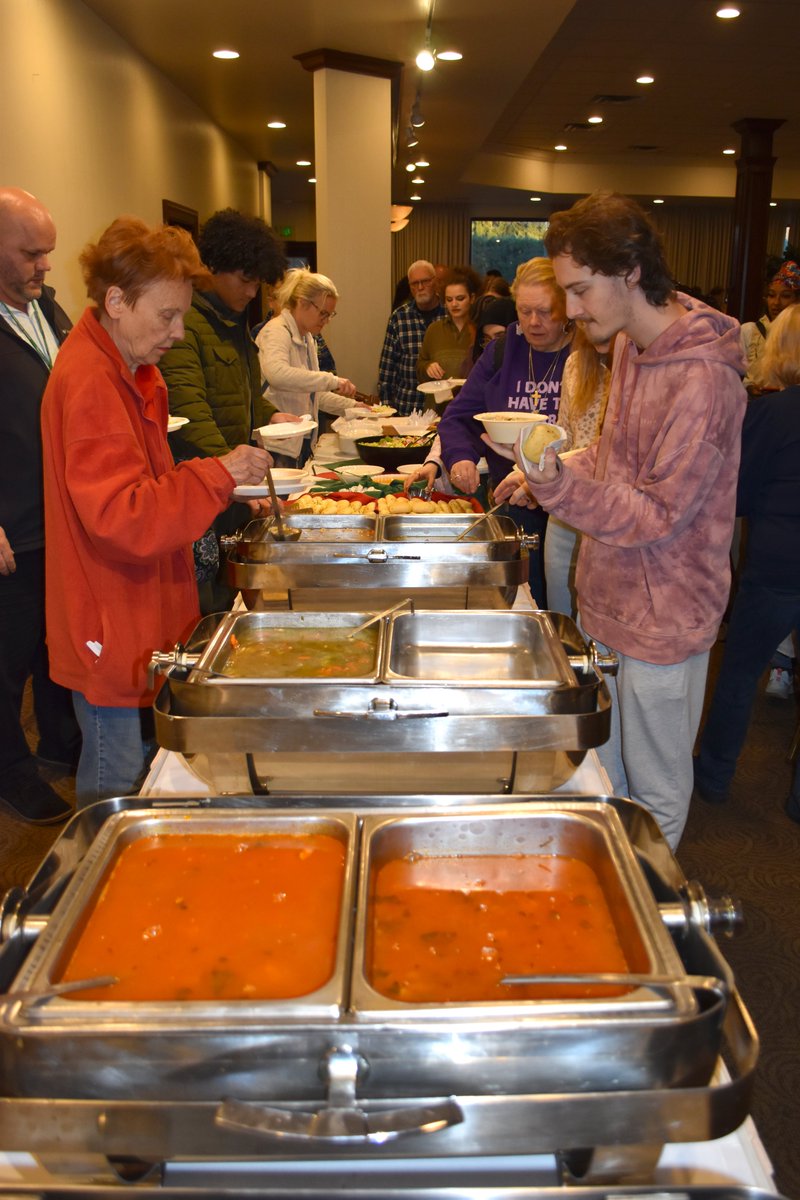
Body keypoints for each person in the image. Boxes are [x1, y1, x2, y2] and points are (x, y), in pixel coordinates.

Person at [491, 191, 747, 850]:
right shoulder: (632, 345)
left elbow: (660, 514)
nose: (571, 311)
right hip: (611, 598)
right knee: (612, 770)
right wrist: (552, 464)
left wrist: (559, 486)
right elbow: (617, 452)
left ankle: (651, 915)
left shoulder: (705, 380)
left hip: (665, 616)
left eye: (579, 291)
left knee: (656, 788)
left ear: (631, 274)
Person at [40, 217, 272, 808]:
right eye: (165, 315)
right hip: (110, 615)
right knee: (117, 783)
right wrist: (216, 475)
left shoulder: (130, 367)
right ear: (116, 300)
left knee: (143, 765)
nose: (176, 331)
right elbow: (124, 518)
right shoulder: (93, 381)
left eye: (182, 315)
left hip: (137, 603)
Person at [693, 303, 800, 814]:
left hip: (777, 562)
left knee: (739, 675)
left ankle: (713, 778)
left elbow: (737, 494)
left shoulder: (770, 414)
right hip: (780, 560)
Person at [0, 187, 81, 825]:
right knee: (8, 659)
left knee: (54, 644)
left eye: (47, 253)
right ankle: (10, 772)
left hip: (59, 514)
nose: (44, 266)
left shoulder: (47, 309)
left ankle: (62, 743)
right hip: (12, 524)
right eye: (31, 252)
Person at [436, 257, 573, 606]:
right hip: (512, 503)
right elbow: (459, 416)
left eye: (544, 311)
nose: (532, 322)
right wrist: (461, 458)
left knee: (561, 606)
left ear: (568, 307)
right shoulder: (502, 350)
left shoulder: (585, 353)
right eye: (524, 311)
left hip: (569, 510)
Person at [256, 268, 362, 464]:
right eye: (323, 313)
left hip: (299, 440)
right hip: (276, 443)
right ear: (303, 303)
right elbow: (277, 375)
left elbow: (314, 394)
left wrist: (353, 407)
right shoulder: (277, 330)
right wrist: (332, 380)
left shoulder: (307, 338)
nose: (326, 321)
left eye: (330, 315)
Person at [377, 260, 445, 414]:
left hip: (442, 407)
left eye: (425, 282)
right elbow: (387, 370)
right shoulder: (399, 317)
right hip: (407, 406)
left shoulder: (449, 314)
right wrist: (387, 410)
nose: (420, 287)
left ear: (435, 282)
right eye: (414, 283)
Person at [417, 266, 481, 383]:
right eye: (449, 300)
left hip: (470, 399)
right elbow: (420, 368)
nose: (454, 304)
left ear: (472, 298)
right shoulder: (434, 330)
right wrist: (428, 367)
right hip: (438, 400)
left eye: (460, 298)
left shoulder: (480, 330)